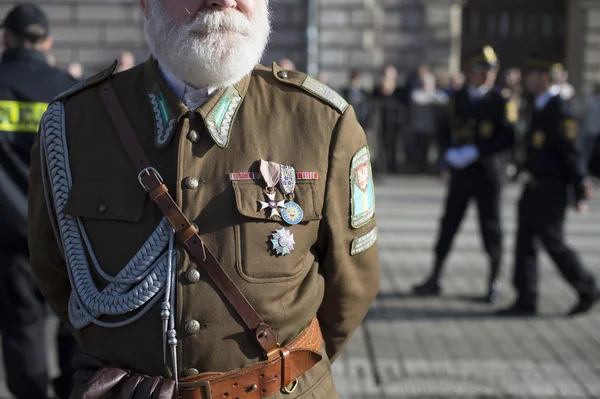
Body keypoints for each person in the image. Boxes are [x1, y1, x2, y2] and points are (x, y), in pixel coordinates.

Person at [28, 0, 380, 398]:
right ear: (147, 4)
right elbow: (56, 271)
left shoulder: (320, 122)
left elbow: (352, 287)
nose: (223, 1)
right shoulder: (75, 122)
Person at [0, 3, 80, 399]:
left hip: (11, 237)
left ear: (6, 39)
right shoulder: (67, 89)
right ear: (46, 42)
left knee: (23, 327)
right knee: (73, 321)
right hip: (65, 234)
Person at [412, 46, 516, 303]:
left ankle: (493, 282)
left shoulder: (501, 101)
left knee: (491, 228)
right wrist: (449, 153)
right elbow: (444, 129)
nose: (489, 76)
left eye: (492, 71)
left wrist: (478, 150)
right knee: (448, 225)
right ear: (472, 72)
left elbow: (510, 137)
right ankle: (435, 276)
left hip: (488, 174)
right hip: (462, 174)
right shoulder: (456, 99)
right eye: (483, 71)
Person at [497, 57, 600, 317]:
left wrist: (579, 190)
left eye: (531, 75)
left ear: (543, 77)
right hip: (533, 187)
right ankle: (526, 299)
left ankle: (587, 288)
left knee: (553, 243)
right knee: (525, 244)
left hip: (551, 190)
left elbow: (572, 154)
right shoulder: (540, 106)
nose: (526, 80)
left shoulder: (560, 109)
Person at [407, 72, 448, 174]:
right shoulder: (417, 93)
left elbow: (444, 100)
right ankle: (421, 169)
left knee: (434, 149)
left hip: (433, 127)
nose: (425, 85)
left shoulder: (437, 93)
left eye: (428, 83)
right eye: (423, 83)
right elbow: (418, 100)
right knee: (421, 150)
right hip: (419, 127)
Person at [372, 65, 406, 174]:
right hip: (382, 122)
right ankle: (383, 168)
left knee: (395, 146)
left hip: (395, 123)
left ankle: (394, 167)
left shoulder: (400, 90)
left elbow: (402, 105)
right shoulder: (378, 90)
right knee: (382, 146)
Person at [582, 82, 600, 168]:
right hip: (589, 131)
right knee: (587, 152)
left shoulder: (590, 100)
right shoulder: (589, 100)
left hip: (596, 132)